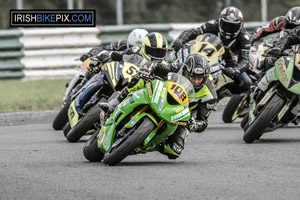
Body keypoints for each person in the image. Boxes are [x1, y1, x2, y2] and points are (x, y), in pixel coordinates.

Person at [100, 54, 218, 159]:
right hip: (161, 96)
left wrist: (195, 125)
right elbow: (158, 66)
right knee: (141, 78)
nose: (196, 81)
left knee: (174, 151)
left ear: (205, 77)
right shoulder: (178, 68)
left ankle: (156, 142)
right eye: (193, 77)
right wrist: (148, 68)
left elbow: (203, 121)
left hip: (181, 114)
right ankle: (114, 104)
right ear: (185, 72)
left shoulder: (210, 95)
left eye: (200, 78)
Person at [172, 6, 252, 100]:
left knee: (246, 83)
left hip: (227, 62)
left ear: (240, 26)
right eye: (226, 25)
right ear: (220, 22)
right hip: (202, 53)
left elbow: (245, 61)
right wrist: (181, 39)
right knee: (180, 61)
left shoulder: (244, 38)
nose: (228, 30)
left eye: (233, 27)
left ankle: (218, 95)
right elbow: (192, 32)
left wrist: (235, 70)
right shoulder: (212, 24)